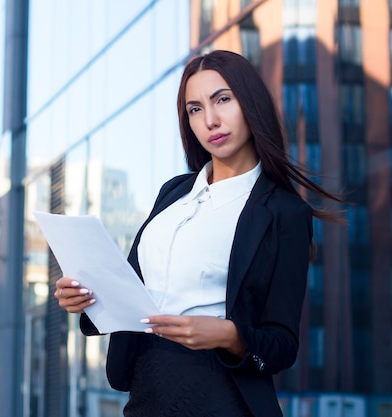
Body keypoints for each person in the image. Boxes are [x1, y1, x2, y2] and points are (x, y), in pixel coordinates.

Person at [54, 50, 343, 417]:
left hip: (221, 396)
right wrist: (84, 297)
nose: (210, 120)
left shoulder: (284, 213)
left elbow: (281, 345)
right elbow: (132, 291)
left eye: (222, 99)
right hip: (147, 392)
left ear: (250, 103)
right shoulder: (173, 192)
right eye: (194, 109)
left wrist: (228, 335)